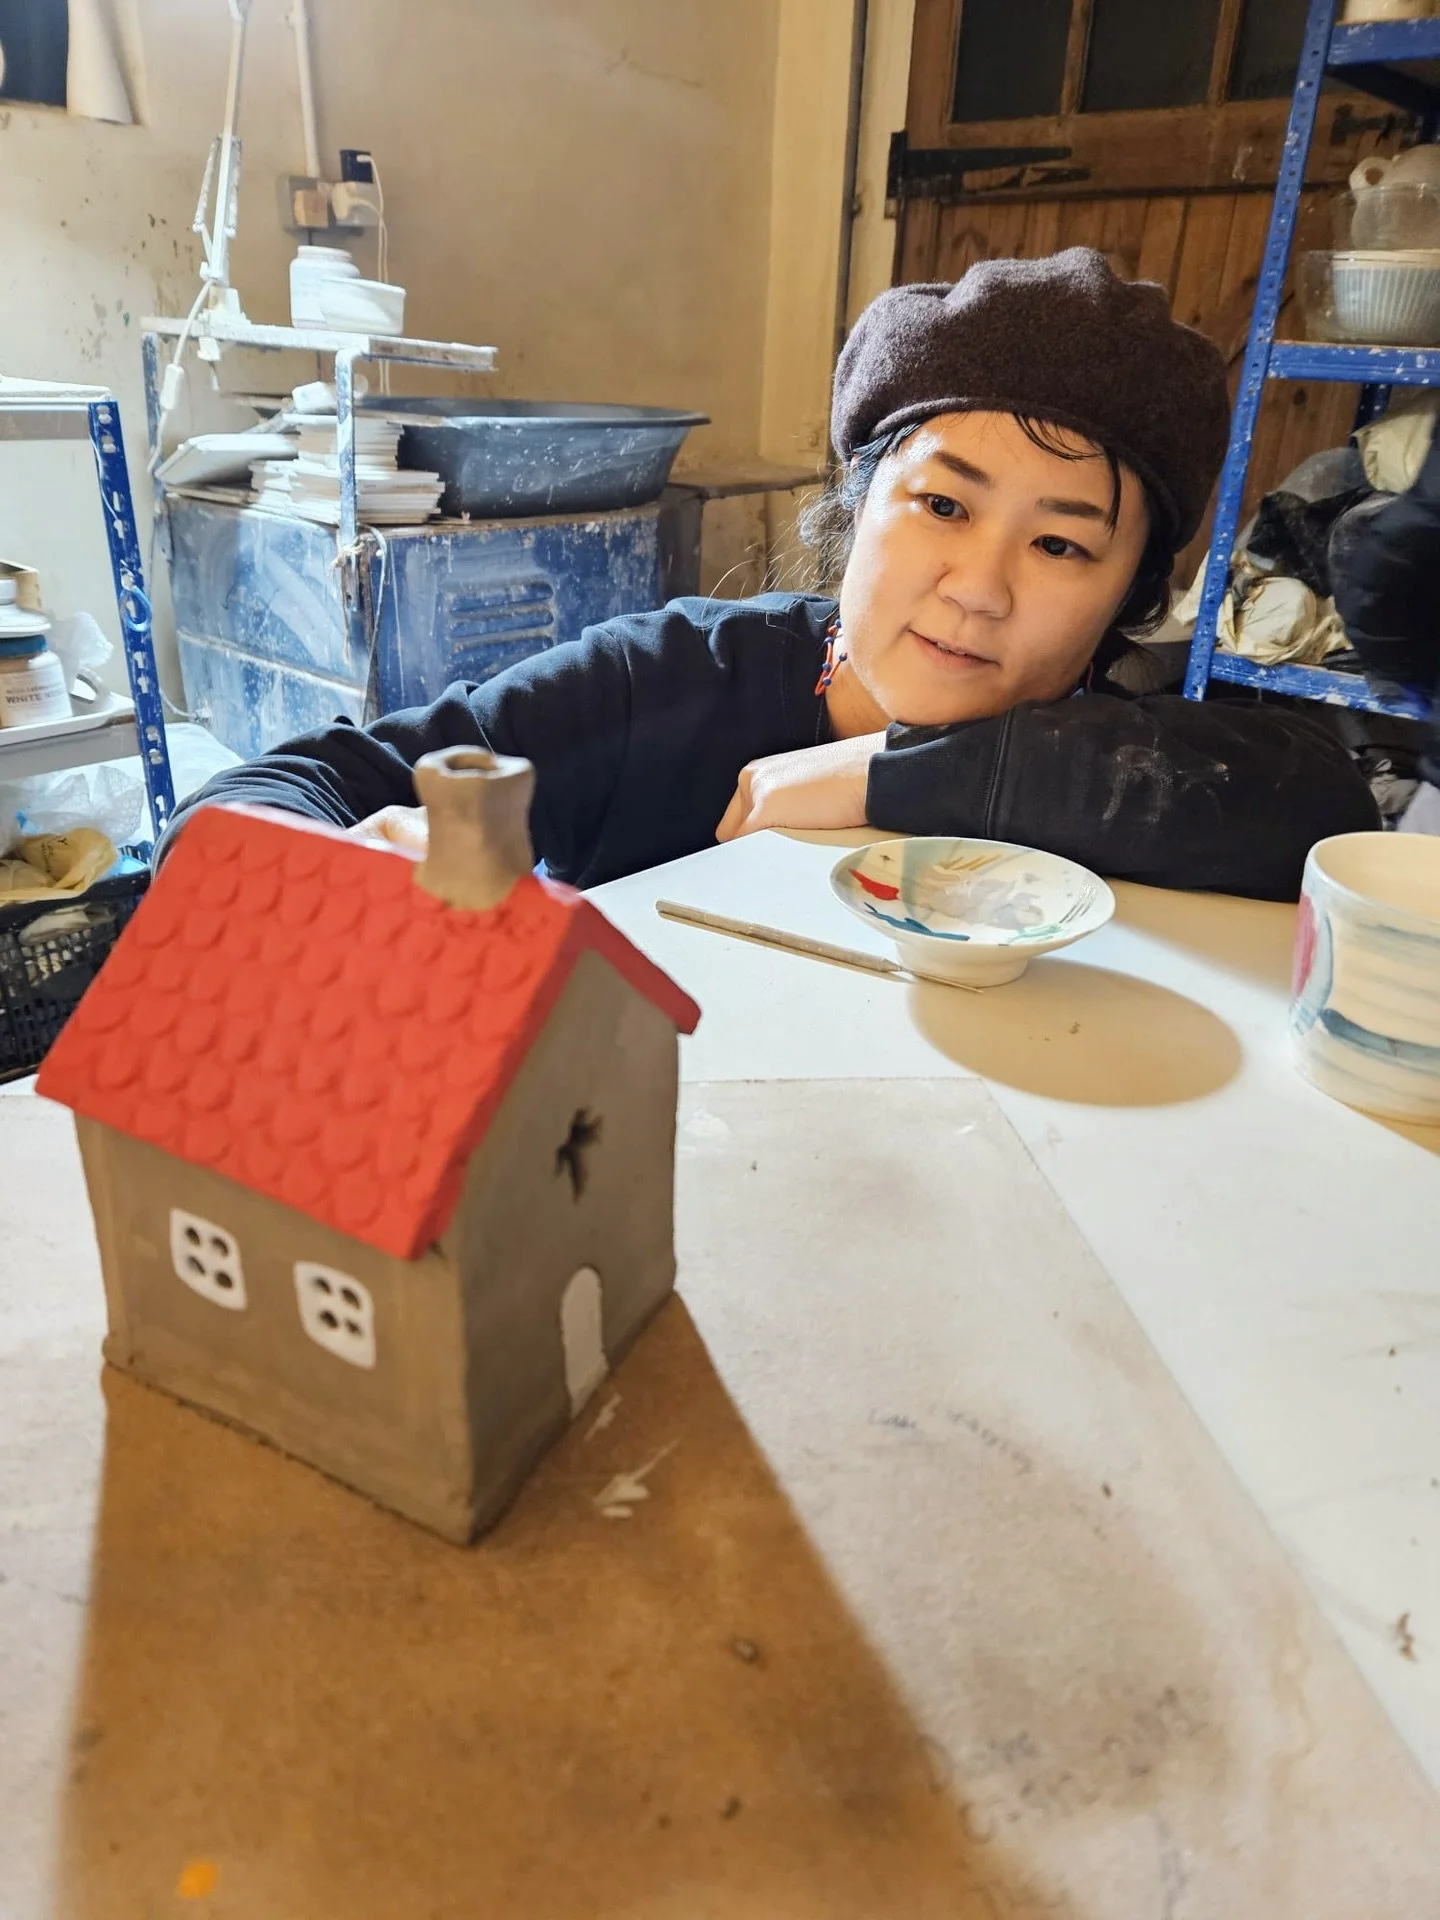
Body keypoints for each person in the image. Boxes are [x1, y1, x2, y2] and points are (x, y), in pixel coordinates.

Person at [160, 249, 1379, 899]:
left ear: (1129, 593)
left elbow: (1324, 809)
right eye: (942, 505)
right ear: (855, 509)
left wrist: (897, 776)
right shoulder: (673, 681)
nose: (979, 586)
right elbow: (269, 794)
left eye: (1062, 543)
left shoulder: (1119, 756)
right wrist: (330, 869)